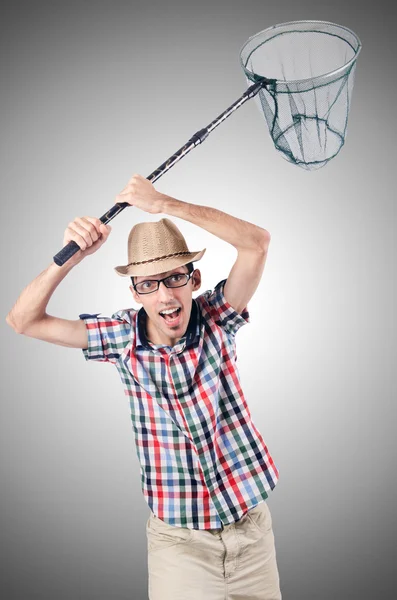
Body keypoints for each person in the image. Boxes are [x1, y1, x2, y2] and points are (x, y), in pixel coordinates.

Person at [6, 174, 282, 599]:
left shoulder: (217, 315)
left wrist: (164, 204)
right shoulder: (120, 336)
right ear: (136, 292)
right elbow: (23, 320)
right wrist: (71, 258)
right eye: (149, 284)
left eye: (174, 278)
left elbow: (256, 242)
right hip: (180, 546)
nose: (165, 296)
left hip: (252, 532)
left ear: (194, 280)